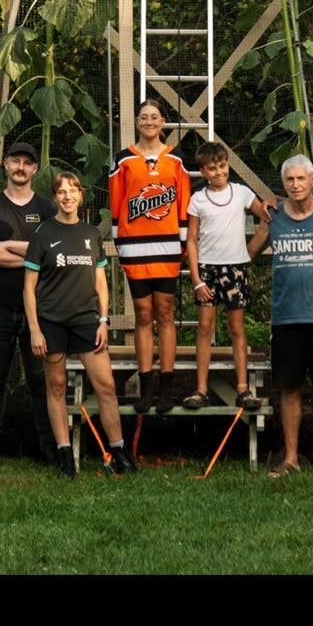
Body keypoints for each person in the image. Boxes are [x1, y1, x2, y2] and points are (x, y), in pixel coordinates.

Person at [23, 167, 134, 476]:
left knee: (106, 386)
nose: (67, 196)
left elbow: (100, 283)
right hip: (51, 322)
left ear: (81, 195)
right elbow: (29, 287)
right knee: (57, 386)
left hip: (87, 321)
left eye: (72, 190)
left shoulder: (91, 234)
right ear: (55, 198)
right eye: (61, 191)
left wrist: (103, 320)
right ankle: (65, 457)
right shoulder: (43, 233)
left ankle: (119, 452)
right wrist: (35, 330)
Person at [247, 155, 313, 479]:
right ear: (283, 184)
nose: (296, 184)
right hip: (286, 317)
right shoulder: (274, 214)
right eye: (290, 180)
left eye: (302, 178)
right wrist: (264, 223)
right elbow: (249, 253)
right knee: (289, 388)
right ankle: (290, 458)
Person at [0, 137, 56, 467]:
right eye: (15, 161)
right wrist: (34, 254)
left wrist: (8, 245)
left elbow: (53, 254)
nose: (20, 167)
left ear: (34, 169)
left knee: (39, 380)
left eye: (26, 163)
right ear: (5, 164)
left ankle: (48, 447)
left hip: (39, 310)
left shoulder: (46, 209)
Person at [109, 99, 190, 414]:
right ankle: (145, 390)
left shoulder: (176, 159)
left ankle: (166, 389)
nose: (149, 122)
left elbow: (183, 201)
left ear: (163, 122)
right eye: (143, 117)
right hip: (135, 246)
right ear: (137, 122)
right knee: (143, 314)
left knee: (165, 313)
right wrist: (118, 240)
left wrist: (182, 240)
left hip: (167, 245)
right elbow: (117, 202)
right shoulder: (123, 159)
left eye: (154, 117)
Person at [183, 139, 272, 412]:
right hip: (207, 271)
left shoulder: (242, 193)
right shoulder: (198, 199)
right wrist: (197, 280)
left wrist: (249, 252)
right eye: (212, 168)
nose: (219, 172)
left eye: (222, 166)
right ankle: (201, 390)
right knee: (204, 327)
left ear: (227, 165)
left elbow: (267, 216)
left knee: (237, 328)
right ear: (203, 171)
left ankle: (243, 389)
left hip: (235, 269)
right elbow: (192, 241)